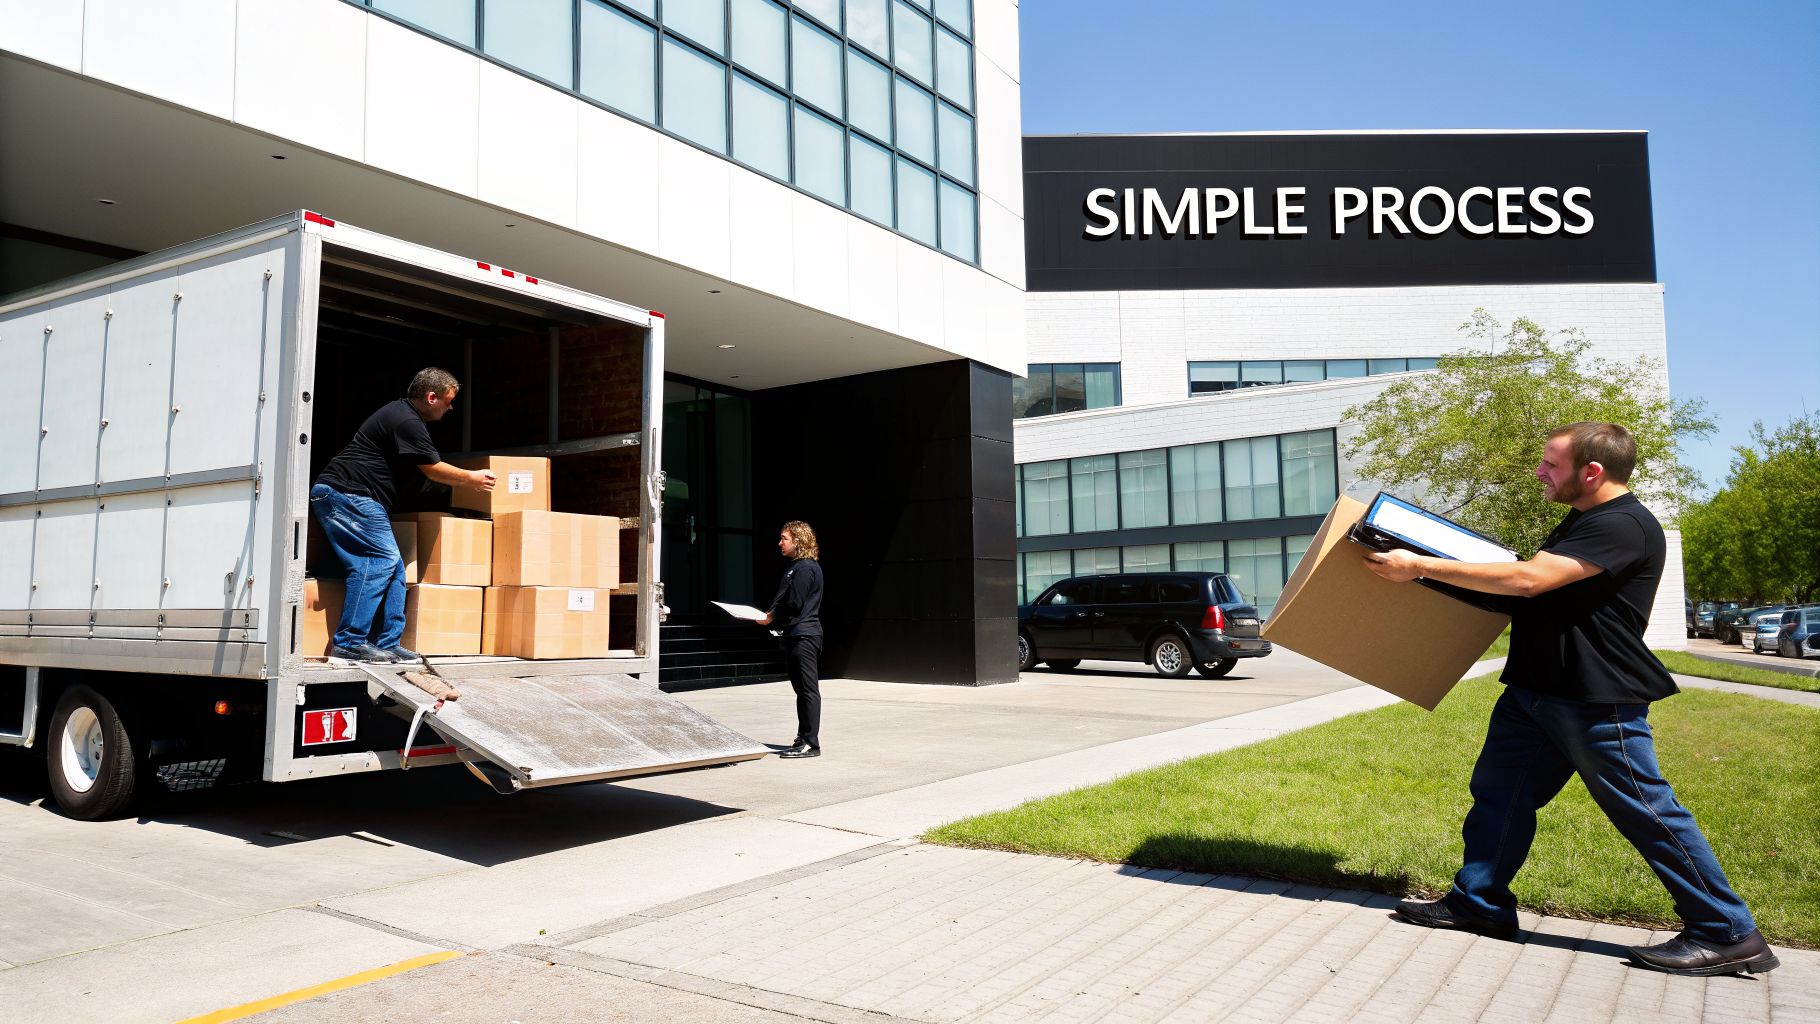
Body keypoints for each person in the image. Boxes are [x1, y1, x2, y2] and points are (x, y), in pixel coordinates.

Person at [1363, 422, 1779, 977]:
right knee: (1499, 795)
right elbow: (1523, 589)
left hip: (1594, 698)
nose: (1540, 472)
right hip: (1537, 690)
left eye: (1550, 464)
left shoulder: (1624, 524)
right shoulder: (1586, 518)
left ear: (1592, 472)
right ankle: (1479, 904)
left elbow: (1530, 580)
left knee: (1647, 811)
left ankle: (1727, 931)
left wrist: (1419, 565)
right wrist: (1419, 571)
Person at [311, 368, 495, 665]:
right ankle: (349, 643)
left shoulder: (403, 416)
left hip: (356, 497)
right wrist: (472, 478)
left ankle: (388, 642)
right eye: (448, 401)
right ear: (431, 397)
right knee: (378, 562)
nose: (451, 407)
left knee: (394, 567)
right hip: (347, 494)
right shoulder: (407, 420)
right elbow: (432, 469)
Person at [757, 521, 824, 758]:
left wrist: (770, 617)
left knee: (807, 690)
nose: (780, 543)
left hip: (805, 635)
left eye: (784, 538)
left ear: (798, 541)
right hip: (795, 634)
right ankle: (802, 737)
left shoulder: (806, 568)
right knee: (801, 690)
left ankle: (810, 742)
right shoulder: (795, 567)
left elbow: (794, 603)